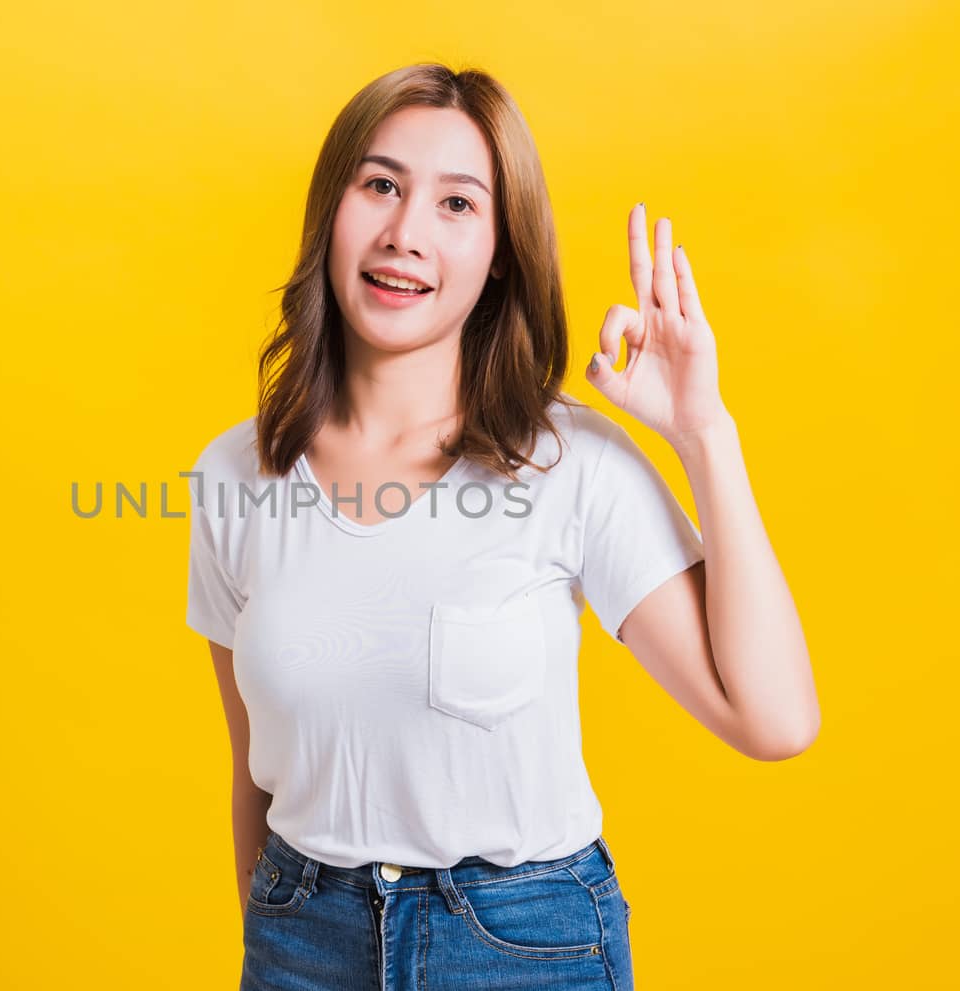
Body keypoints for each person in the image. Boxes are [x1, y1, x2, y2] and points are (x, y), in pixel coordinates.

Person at [184, 62, 818, 991]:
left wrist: (702, 434)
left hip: (522, 946)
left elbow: (775, 718)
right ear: (332, 210)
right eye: (382, 185)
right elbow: (256, 771)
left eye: (457, 205)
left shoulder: (569, 463)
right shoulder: (233, 474)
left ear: (500, 255)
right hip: (299, 941)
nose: (405, 235)